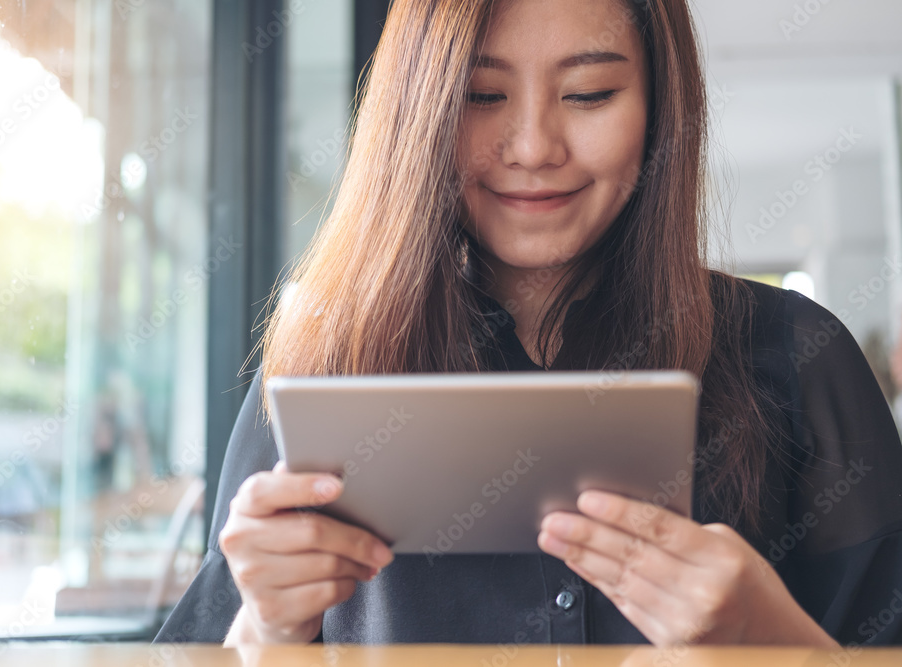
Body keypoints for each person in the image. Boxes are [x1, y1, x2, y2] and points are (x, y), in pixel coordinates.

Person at [155, 0, 902, 648]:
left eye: (589, 93)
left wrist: (776, 640)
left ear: (661, 107)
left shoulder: (800, 356)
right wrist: (263, 629)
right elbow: (215, 639)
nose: (536, 147)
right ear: (419, 117)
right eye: (482, 95)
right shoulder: (325, 364)